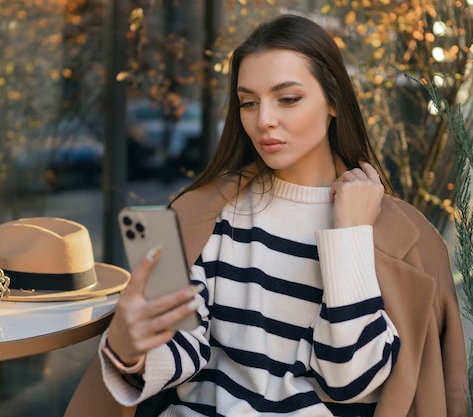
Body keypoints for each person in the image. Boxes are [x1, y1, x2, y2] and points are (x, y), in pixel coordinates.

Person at [64, 13, 469, 417]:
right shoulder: (196, 213)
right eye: (248, 102)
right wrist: (130, 348)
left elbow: (348, 382)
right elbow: (182, 349)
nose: (264, 121)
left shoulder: (405, 237)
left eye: (288, 99)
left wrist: (350, 235)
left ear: (333, 102)